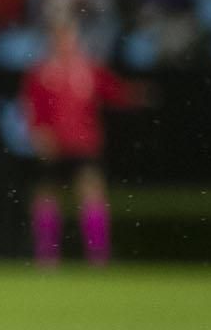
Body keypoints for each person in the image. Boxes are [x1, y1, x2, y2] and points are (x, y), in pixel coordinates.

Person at [19, 17, 145, 268]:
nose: (64, 43)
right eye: (59, 38)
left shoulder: (87, 70)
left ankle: (98, 256)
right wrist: (39, 133)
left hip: (83, 144)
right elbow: (31, 109)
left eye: (68, 37)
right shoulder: (41, 73)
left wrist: (136, 94)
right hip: (54, 147)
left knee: (92, 194)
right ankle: (47, 257)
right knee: (46, 197)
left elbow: (114, 91)